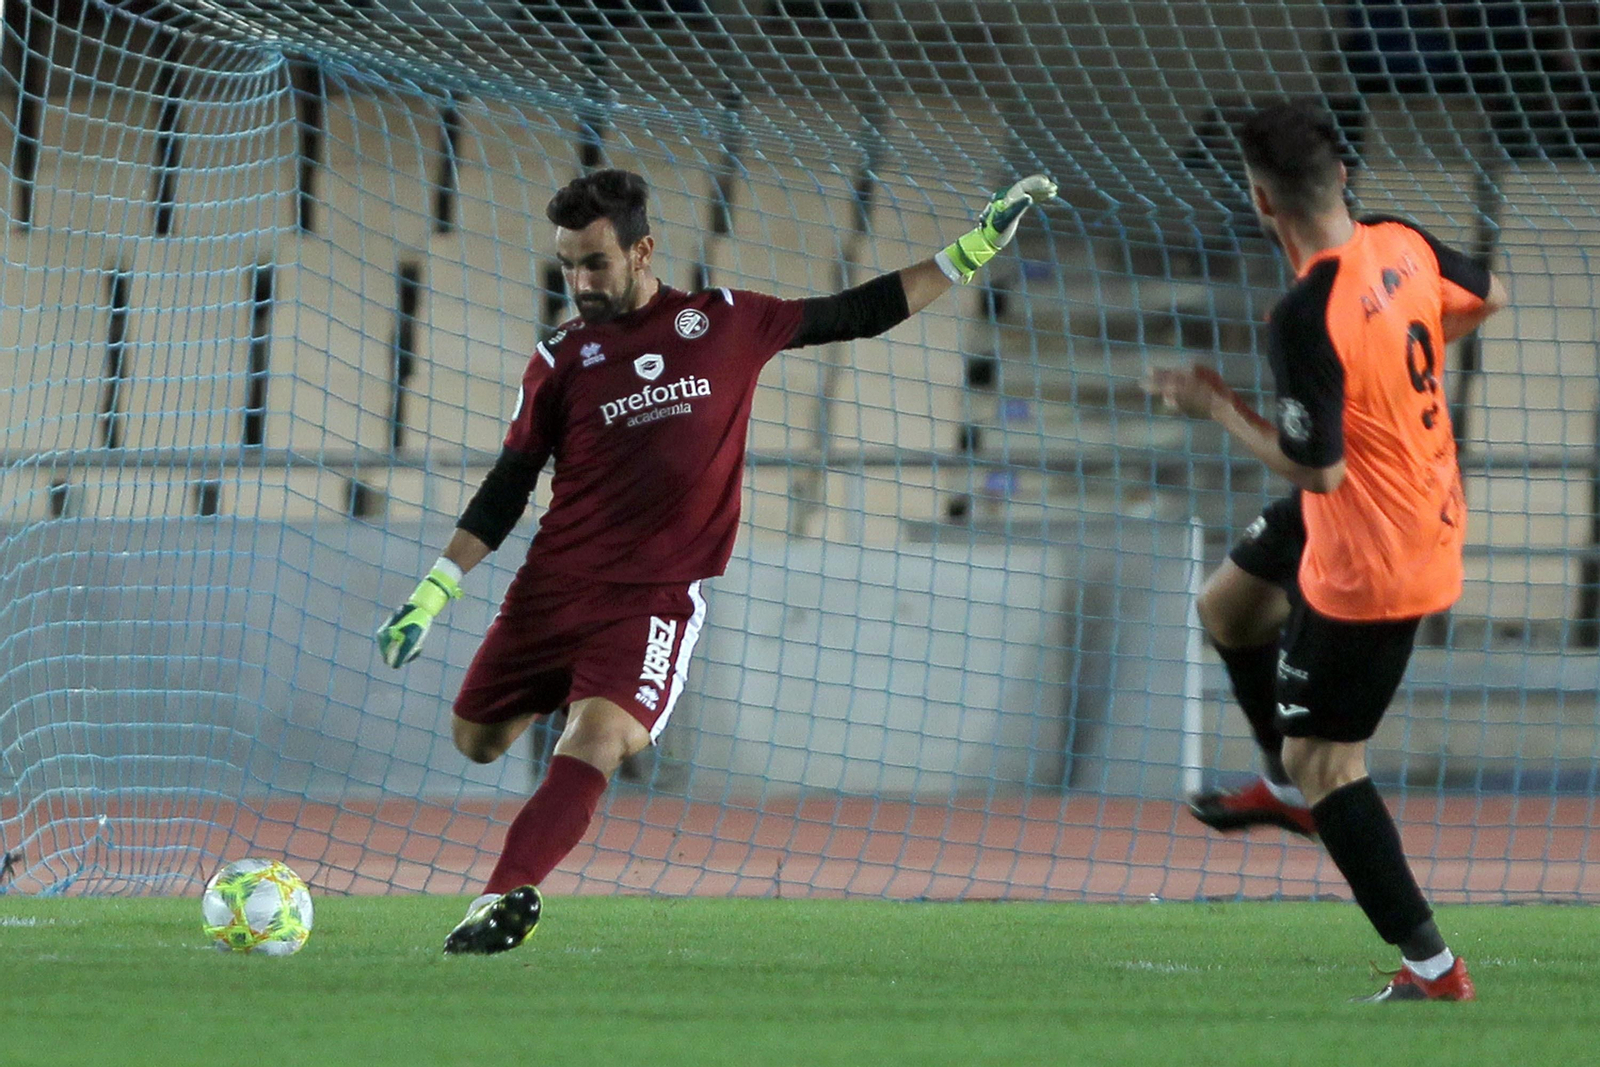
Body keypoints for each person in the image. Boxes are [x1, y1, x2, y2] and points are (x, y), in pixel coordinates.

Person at [375, 167, 1057, 954]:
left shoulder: (726, 321)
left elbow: (858, 313)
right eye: (566, 263)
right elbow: (507, 484)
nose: (578, 280)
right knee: (478, 740)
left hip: (651, 601)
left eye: (593, 261)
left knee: (594, 741)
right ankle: (558, 716)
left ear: (643, 251)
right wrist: (434, 590)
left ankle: (499, 898)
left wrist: (969, 251)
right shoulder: (560, 359)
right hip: (552, 586)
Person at [1145, 99, 1507, 1002]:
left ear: (1262, 203)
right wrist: (1387, 360)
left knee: (1332, 761)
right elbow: (1492, 295)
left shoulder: (1304, 315)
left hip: (1375, 552)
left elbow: (1317, 468)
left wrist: (1215, 405)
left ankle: (1434, 970)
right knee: (1227, 608)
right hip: (1408, 504)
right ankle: (1283, 784)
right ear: (1342, 177)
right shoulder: (1402, 242)